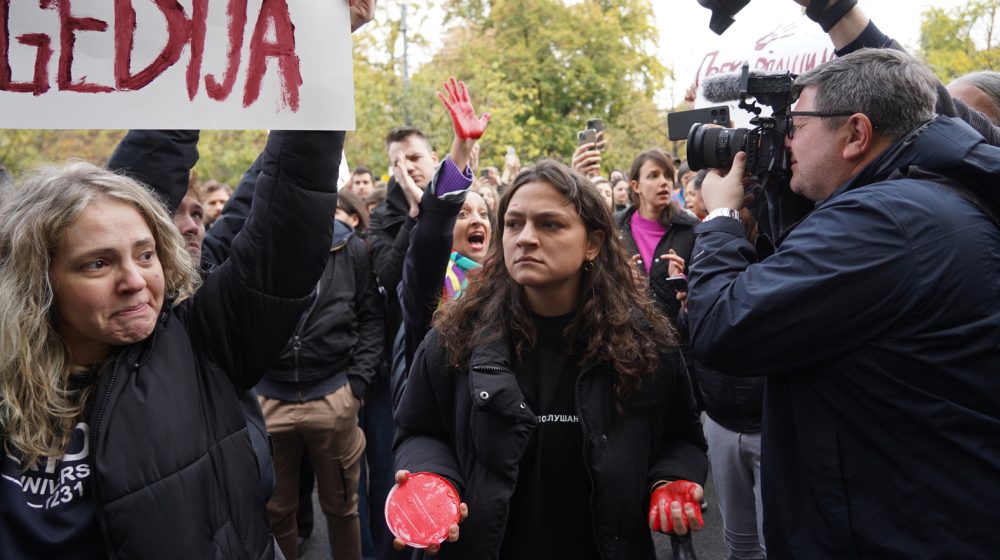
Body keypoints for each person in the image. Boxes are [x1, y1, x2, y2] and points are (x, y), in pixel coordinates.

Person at [688, 48, 1000, 558]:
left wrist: (721, 217)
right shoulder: (928, 197)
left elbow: (723, 325)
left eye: (796, 126)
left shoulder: (883, 221)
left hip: (896, 532)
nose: (785, 141)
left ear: (856, 133)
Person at [0, 129, 343, 559]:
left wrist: (314, 112)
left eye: (146, 255)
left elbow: (286, 233)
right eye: (98, 264)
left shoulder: (198, 345)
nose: (134, 280)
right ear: (37, 282)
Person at [393, 159, 708, 559]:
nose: (525, 238)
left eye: (550, 224)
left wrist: (671, 480)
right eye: (513, 224)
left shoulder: (646, 343)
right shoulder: (456, 337)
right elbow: (419, 430)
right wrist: (433, 478)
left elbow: (682, 438)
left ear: (592, 243)